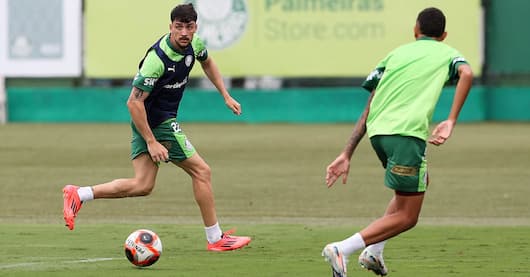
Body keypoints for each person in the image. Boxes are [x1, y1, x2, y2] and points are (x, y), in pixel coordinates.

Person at [62, 3, 251, 252]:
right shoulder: (157, 60)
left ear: (195, 27)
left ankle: (79, 194)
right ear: (170, 27)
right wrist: (152, 141)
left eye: (189, 27)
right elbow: (133, 102)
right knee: (202, 172)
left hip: (151, 120)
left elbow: (207, 63)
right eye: (179, 27)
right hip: (156, 121)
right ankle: (215, 238)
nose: (184, 32)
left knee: (142, 185)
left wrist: (225, 95)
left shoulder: (195, 44)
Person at [321, 7, 473, 276]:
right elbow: (467, 74)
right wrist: (451, 120)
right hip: (407, 135)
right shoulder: (447, 52)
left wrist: (347, 153)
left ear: (415, 31)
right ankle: (343, 248)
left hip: (378, 134)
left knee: (417, 184)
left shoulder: (396, 54)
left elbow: (371, 103)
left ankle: (374, 252)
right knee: (408, 216)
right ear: (444, 35)